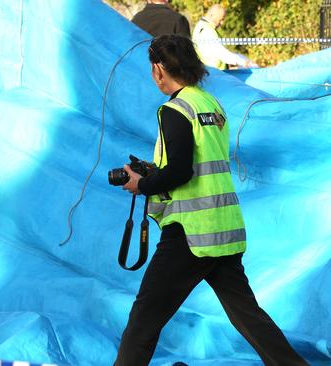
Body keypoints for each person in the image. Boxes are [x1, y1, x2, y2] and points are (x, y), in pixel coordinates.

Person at [114, 35, 307, 366]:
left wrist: (142, 184)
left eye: (152, 68)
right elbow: (200, 163)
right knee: (249, 318)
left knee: (144, 318)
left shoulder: (174, 110)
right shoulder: (209, 104)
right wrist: (152, 171)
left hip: (190, 234)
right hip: (224, 229)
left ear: (159, 69)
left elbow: (180, 171)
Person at [192, 4, 257, 70]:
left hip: (209, 72)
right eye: (220, 19)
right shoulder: (207, 31)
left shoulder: (200, 26)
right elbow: (221, 53)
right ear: (212, 15)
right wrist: (243, 62)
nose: (222, 23)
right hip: (214, 73)